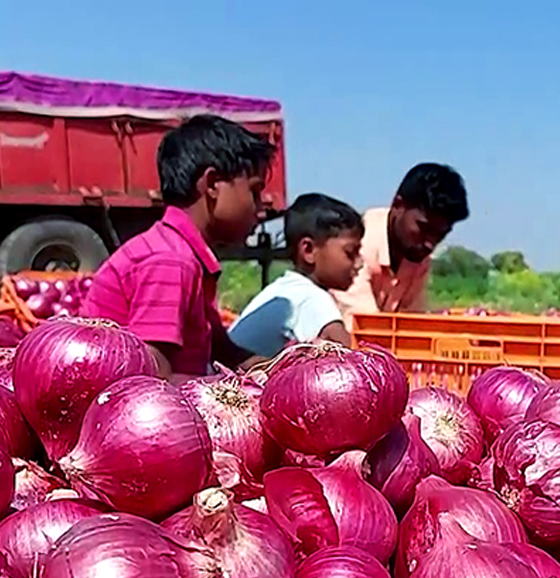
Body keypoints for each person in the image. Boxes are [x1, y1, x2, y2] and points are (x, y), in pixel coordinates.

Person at [80, 114, 272, 379]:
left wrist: (277, 370)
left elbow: (221, 349)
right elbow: (154, 381)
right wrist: (239, 389)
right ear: (213, 184)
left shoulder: (184, 253)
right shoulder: (170, 261)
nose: (261, 209)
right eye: (255, 191)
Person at [331, 163, 470, 327]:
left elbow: (411, 325)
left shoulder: (418, 257)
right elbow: (364, 328)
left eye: (440, 235)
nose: (430, 244)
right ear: (398, 205)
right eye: (423, 228)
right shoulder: (358, 246)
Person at [228, 193, 363, 358]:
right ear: (308, 250)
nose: (359, 263)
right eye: (350, 253)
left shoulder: (287, 289)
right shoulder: (311, 298)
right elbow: (351, 363)